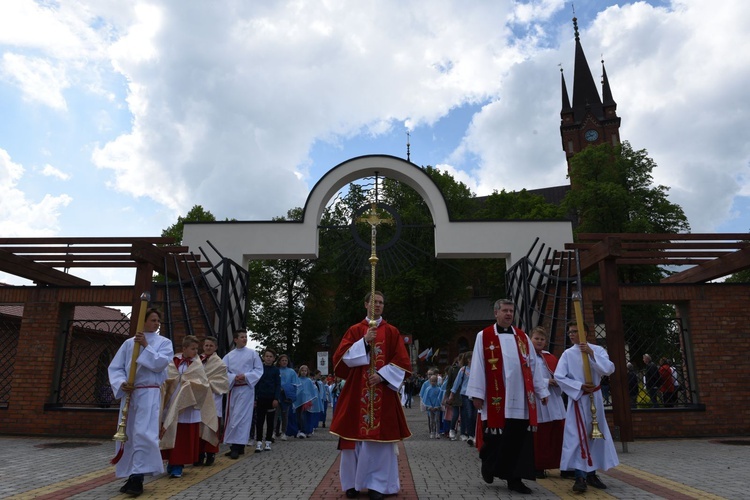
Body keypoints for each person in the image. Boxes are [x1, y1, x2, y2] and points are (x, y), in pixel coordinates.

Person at [329, 291, 412, 500]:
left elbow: (403, 361)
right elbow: (340, 359)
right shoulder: (355, 330)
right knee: (351, 440)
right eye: (373, 302)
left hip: (382, 393)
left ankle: (378, 485)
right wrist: (364, 342)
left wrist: (383, 376)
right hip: (357, 391)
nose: (377, 305)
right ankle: (351, 484)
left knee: (380, 442)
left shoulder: (392, 332)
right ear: (365, 304)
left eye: (381, 302)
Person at [466, 299, 549, 495]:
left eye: (511, 311)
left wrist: (541, 391)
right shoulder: (484, 336)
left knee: (519, 439)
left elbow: (533, 365)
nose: (509, 314)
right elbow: (478, 364)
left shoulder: (522, 337)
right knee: (496, 438)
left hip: (520, 398)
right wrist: (477, 393)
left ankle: (515, 479)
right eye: (505, 310)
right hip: (497, 399)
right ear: (496, 313)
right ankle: (488, 462)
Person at [108, 308, 173, 496]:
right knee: (128, 434)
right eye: (153, 320)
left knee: (144, 433)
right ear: (143, 322)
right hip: (131, 393)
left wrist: (146, 345)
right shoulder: (129, 344)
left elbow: (161, 364)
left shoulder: (164, 343)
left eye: (158, 320)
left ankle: (138, 477)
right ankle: (130, 474)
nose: (157, 323)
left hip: (149, 394)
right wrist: (122, 383)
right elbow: (116, 368)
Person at [555, 321, 619, 493]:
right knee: (577, 437)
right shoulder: (568, 354)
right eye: (570, 332)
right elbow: (559, 376)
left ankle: (591, 473)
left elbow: (609, 369)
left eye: (575, 331)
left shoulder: (597, 350)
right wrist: (578, 386)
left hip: (595, 399)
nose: (571, 334)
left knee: (594, 436)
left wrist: (591, 354)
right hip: (579, 399)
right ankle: (579, 476)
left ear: (586, 333)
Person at [160, 335, 216, 478]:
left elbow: (203, 384)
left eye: (197, 349)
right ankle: (170, 462)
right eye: (192, 348)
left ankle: (178, 464)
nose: (195, 352)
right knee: (170, 431)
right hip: (173, 402)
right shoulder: (173, 362)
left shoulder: (197, 364)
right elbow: (166, 378)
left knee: (183, 436)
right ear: (184, 348)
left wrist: (188, 385)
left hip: (188, 405)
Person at [529, 326, 565, 479]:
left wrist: (558, 382)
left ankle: (562, 464)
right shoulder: (526, 357)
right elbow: (528, 377)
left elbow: (560, 374)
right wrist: (545, 381)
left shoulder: (549, 357)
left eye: (542, 339)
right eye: (536, 338)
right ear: (530, 340)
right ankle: (539, 465)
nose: (539, 341)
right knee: (541, 437)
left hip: (554, 399)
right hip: (538, 400)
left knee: (558, 433)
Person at [222, 330, 263, 459]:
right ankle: (237, 446)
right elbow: (223, 371)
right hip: (234, 389)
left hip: (246, 390)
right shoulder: (229, 356)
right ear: (235, 339)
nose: (244, 339)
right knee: (233, 416)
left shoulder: (252, 354)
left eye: (246, 337)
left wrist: (245, 376)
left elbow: (258, 370)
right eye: (241, 337)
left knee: (242, 417)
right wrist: (233, 377)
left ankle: (237, 446)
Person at [195, 336, 228, 466]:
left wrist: (206, 383)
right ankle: (198, 454)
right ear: (203, 347)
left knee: (210, 427)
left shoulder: (220, 364)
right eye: (206, 345)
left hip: (213, 399)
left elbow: (223, 383)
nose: (208, 348)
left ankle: (210, 453)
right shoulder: (196, 361)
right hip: (199, 398)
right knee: (198, 427)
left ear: (215, 348)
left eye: (211, 346)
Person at [254, 348, 281, 452]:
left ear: (274, 359)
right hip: (261, 398)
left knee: (270, 421)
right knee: (259, 421)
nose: (268, 358)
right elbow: (256, 384)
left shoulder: (275, 370)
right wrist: (255, 398)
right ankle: (259, 442)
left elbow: (278, 385)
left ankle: (268, 441)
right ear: (263, 357)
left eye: (270, 356)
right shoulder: (259, 369)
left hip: (271, 399)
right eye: (266, 356)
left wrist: (276, 398)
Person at [274, 354, 299, 440]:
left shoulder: (291, 372)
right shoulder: (276, 370)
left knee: (285, 414)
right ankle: (273, 432)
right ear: (279, 362)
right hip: (277, 395)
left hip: (286, 396)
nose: (284, 362)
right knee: (275, 414)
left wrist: (285, 389)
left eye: (286, 360)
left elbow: (295, 384)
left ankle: (284, 432)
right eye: (282, 360)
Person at [293, 364, 317, 438]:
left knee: (303, 416)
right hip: (298, 400)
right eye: (302, 370)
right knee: (297, 416)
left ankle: (303, 430)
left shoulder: (309, 380)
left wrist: (310, 399)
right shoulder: (297, 379)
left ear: (307, 372)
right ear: (300, 371)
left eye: (305, 371)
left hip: (306, 401)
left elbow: (311, 390)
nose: (304, 372)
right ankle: (299, 429)